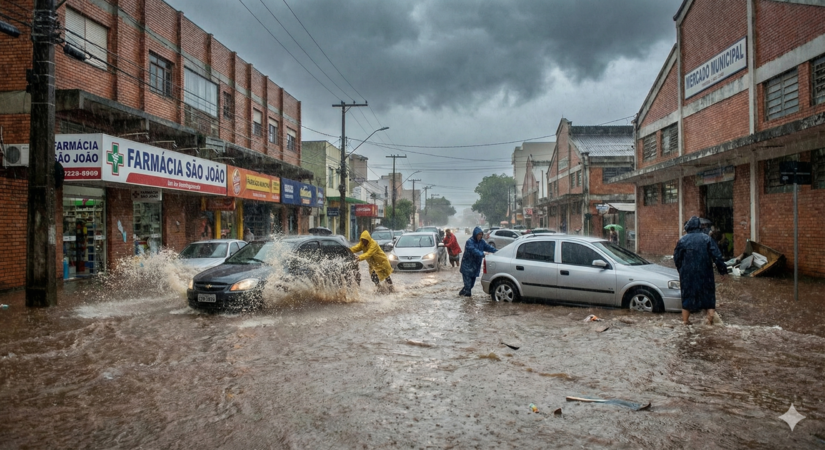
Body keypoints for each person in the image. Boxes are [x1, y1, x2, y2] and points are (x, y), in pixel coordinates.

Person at [673, 216, 727, 325]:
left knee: (687, 298)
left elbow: (676, 258)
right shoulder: (707, 239)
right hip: (705, 273)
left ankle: (685, 322)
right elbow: (717, 256)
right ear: (699, 226)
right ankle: (709, 323)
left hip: (688, 275)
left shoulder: (682, 240)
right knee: (709, 299)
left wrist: (681, 270)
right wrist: (723, 271)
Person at [459, 226, 497, 297]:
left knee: (471, 285)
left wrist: (498, 252)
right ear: (475, 234)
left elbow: (489, 248)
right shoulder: (469, 242)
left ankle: (461, 294)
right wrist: (483, 254)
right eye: (478, 234)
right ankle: (468, 305)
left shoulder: (482, 242)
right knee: (468, 289)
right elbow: (473, 251)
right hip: (467, 267)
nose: (480, 236)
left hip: (475, 267)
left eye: (481, 234)